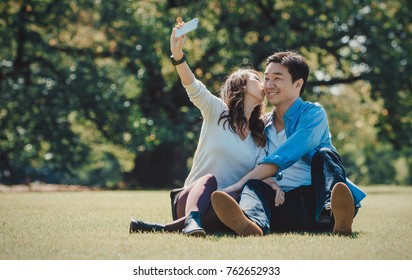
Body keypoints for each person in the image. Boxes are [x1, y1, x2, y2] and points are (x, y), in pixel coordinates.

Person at [129, 21, 271, 237]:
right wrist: (178, 55)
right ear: (240, 86)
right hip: (190, 198)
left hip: (224, 206)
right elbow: (192, 85)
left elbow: (258, 173)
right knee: (209, 180)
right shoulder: (217, 111)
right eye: (256, 78)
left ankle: (163, 228)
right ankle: (192, 220)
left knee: (230, 201)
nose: (262, 82)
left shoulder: (259, 135)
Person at [211, 51, 366, 236]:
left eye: (277, 78)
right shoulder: (262, 126)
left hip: (315, 203)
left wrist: (239, 184)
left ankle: (335, 215)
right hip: (282, 204)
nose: (269, 85)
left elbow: (287, 154)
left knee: (325, 154)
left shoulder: (313, 113)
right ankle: (251, 224)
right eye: (266, 78)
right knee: (254, 185)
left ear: (298, 83)